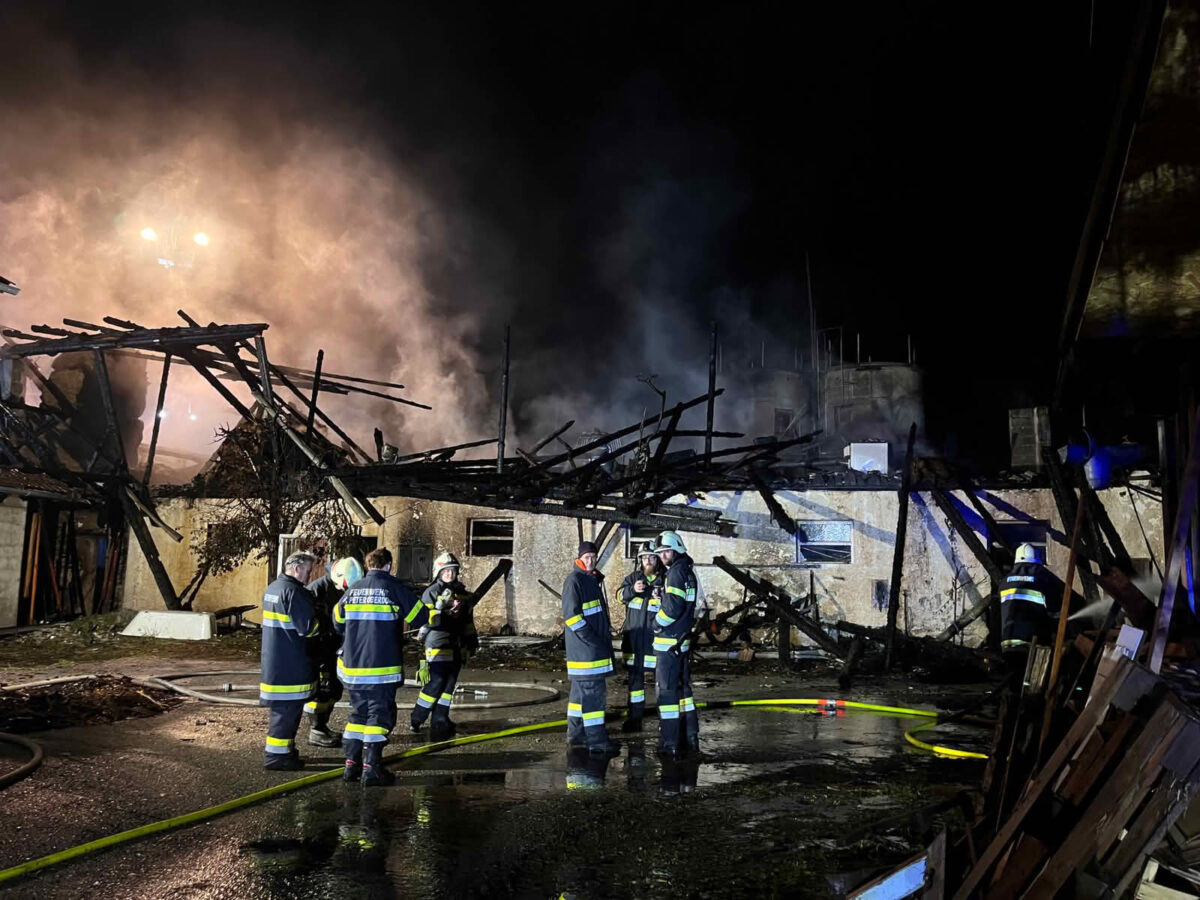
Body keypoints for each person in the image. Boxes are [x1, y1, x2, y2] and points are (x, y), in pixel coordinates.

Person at [333, 548, 424, 786]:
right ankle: (371, 769)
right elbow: (420, 616)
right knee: (378, 716)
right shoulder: (392, 587)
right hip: (380, 669)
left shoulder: (352, 589)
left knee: (357, 716)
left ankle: (350, 766)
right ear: (388, 566)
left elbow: (337, 621)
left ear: (367, 566)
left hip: (353, 669)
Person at [260, 551, 319, 771]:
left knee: (283, 712)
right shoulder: (293, 592)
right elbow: (309, 629)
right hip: (291, 663)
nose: (309, 577)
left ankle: (284, 752)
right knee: (286, 714)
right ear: (296, 569)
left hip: (275, 662)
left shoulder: (273, 588)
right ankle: (276, 758)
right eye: (308, 571)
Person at [410, 551, 477, 739]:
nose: (450, 574)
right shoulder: (431, 592)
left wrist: (471, 642)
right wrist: (444, 609)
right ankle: (417, 718)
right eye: (446, 571)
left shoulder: (462, 594)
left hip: (456, 642)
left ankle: (440, 718)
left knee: (449, 685)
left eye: (453, 571)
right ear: (439, 572)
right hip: (437, 642)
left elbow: (468, 621)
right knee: (436, 682)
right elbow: (426, 619)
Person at [561, 540, 620, 756]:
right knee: (594, 697)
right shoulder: (575, 580)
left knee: (578, 698)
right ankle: (597, 742)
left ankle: (576, 736)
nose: (591, 560)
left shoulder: (591, 581)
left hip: (586, 653)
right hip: (588, 654)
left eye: (594, 557)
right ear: (579, 558)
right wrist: (593, 641)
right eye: (587, 557)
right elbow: (572, 618)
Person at [305, 556, 364, 747]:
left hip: (337, 647)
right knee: (322, 691)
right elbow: (308, 625)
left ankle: (322, 727)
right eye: (344, 587)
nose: (345, 592)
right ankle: (316, 730)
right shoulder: (317, 590)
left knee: (334, 690)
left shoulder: (344, 585)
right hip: (320, 649)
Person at [653, 530, 700, 760]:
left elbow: (672, 609)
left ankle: (669, 743)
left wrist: (656, 622)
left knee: (668, 694)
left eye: (666, 552)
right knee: (684, 691)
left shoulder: (675, 573)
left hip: (668, 643)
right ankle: (691, 737)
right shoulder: (688, 572)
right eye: (660, 553)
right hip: (682, 641)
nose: (662, 557)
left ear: (676, 549)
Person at [616, 541, 664, 732]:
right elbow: (619, 596)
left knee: (661, 682)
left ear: (657, 559)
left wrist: (663, 599)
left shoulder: (665, 580)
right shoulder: (632, 578)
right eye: (645, 558)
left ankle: (665, 722)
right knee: (635, 684)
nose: (648, 561)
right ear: (640, 560)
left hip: (654, 642)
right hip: (634, 642)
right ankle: (634, 719)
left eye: (652, 557)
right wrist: (631, 590)